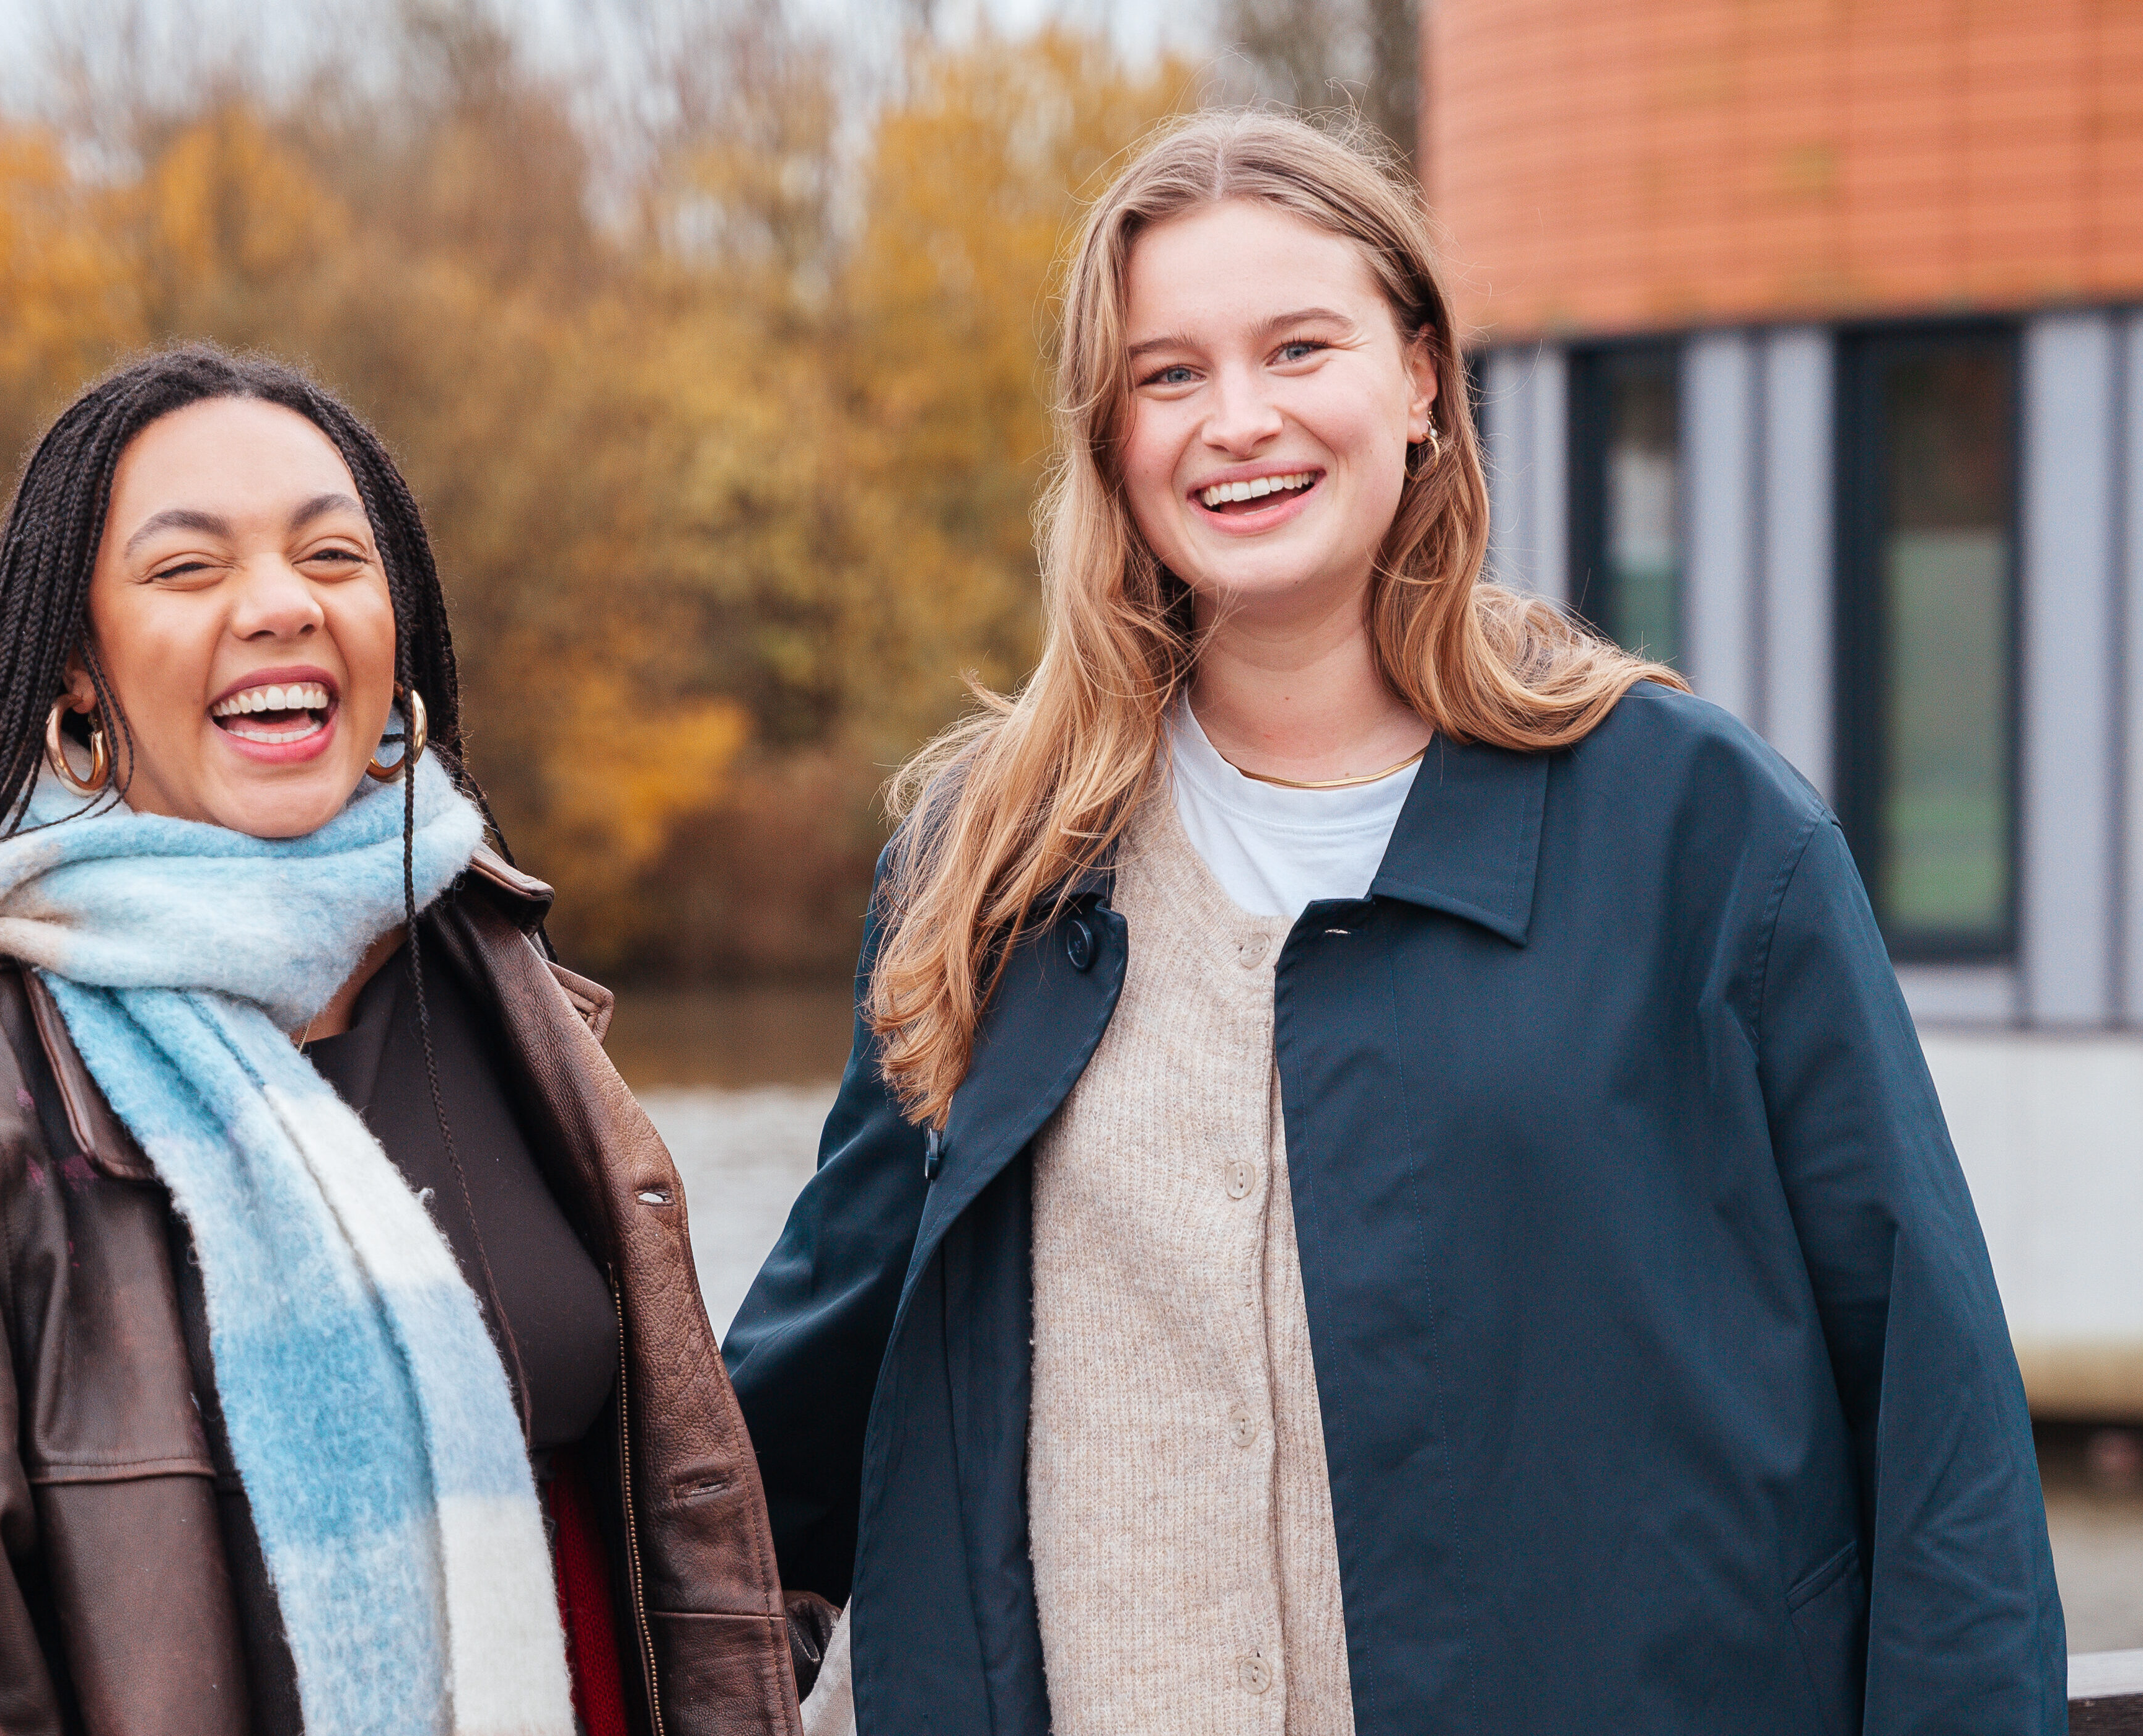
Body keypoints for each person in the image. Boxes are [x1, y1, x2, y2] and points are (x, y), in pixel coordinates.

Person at [724, 112, 2063, 1736]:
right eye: (1168, 375)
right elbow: (796, 1398)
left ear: (1421, 378)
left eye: (1300, 346)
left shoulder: (1700, 830)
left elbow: (1939, 1415)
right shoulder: (987, 863)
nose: (1239, 421)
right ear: (1107, 435)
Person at [0, 346, 804, 1736]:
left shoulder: (503, 982)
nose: (279, 606)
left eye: (333, 556)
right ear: (76, 673)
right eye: (187, 570)